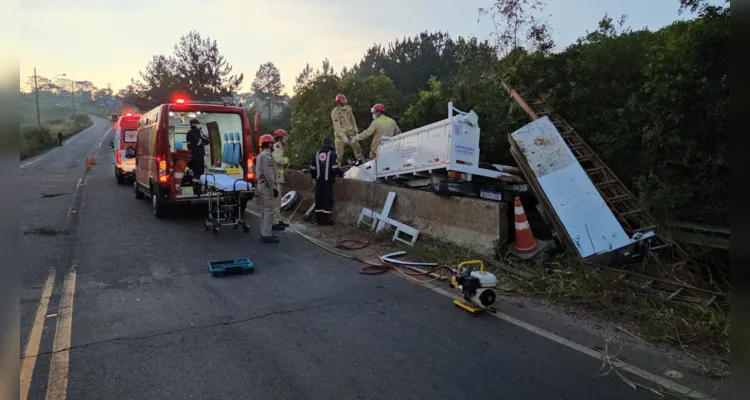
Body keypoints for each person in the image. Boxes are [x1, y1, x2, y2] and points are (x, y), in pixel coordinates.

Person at [308, 137, 344, 226]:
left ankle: (319, 221)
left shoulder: (316, 154)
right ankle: (325, 221)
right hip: (327, 183)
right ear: (330, 144)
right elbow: (335, 168)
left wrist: (314, 177)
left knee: (318, 200)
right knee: (327, 201)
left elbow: (312, 169)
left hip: (318, 182)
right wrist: (342, 173)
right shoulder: (332, 154)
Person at [256, 134, 280, 243]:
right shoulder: (267, 156)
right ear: (269, 144)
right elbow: (269, 174)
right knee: (269, 211)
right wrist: (274, 188)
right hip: (266, 187)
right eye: (273, 143)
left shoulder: (260, 155)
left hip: (260, 185)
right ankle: (267, 234)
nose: (274, 145)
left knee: (263, 211)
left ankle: (263, 232)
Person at [331, 94, 364, 166]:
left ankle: (360, 161)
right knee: (339, 154)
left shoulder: (348, 108)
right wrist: (343, 136)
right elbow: (337, 127)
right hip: (340, 136)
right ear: (339, 103)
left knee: (357, 147)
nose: (345, 104)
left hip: (351, 133)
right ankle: (336, 168)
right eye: (343, 103)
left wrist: (356, 131)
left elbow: (352, 120)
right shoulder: (334, 112)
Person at [271, 129, 290, 230]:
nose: (286, 138)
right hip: (276, 179)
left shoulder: (281, 146)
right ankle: (275, 221)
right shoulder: (277, 146)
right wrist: (286, 160)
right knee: (276, 200)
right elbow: (278, 160)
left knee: (278, 200)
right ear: (280, 137)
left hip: (279, 178)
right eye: (285, 136)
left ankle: (278, 219)